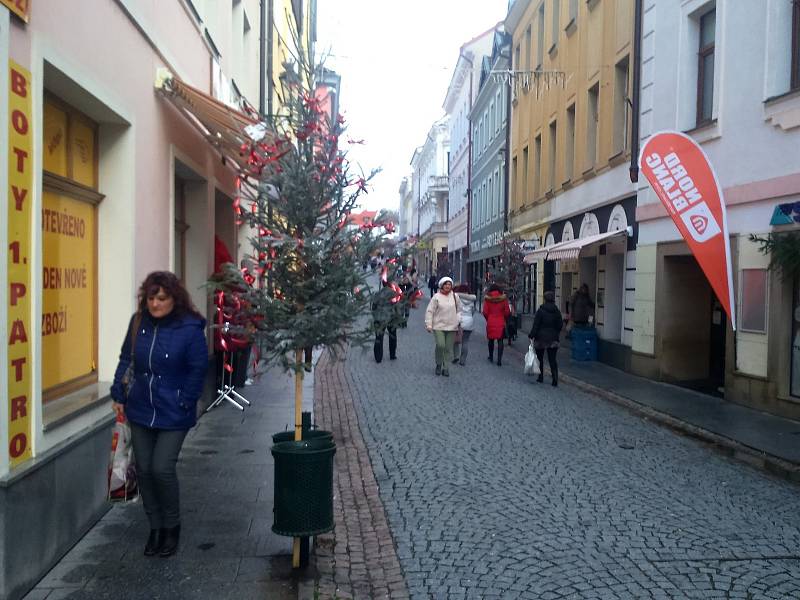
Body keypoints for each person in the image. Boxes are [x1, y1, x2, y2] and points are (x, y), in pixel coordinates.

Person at [110, 271, 208, 558]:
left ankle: (172, 527)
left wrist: (185, 400)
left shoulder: (189, 328)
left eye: (161, 298)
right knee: (144, 469)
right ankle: (155, 527)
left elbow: (197, 368)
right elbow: (127, 359)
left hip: (174, 410)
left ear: (173, 299)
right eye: (151, 298)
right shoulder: (138, 322)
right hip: (141, 407)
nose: (155, 304)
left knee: (162, 468)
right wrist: (119, 393)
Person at [424, 276, 461, 376]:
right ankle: (438, 363)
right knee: (441, 345)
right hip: (439, 326)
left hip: (452, 326)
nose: (448, 286)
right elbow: (430, 311)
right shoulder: (436, 297)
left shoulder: (455, 296)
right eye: (446, 284)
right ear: (442, 285)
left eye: (449, 285)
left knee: (448, 348)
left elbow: (459, 310)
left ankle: (446, 367)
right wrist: (429, 324)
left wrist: (458, 320)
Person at [529, 290, 564, 387]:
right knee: (552, 359)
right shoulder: (556, 311)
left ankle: (540, 377)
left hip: (541, 338)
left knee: (540, 358)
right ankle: (555, 379)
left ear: (544, 299)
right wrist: (555, 332)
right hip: (553, 338)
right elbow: (560, 325)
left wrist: (532, 335)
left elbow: (536, 325)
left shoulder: (540, 311)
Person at [482, 283, 511, 366]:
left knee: (491, 340)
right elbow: (507, 311)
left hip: (491, 321)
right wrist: (504, 317)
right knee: (500, 340)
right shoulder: (503, 299)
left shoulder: (487, 299)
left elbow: (485, 312)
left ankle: (491, 357)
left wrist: (488, 318)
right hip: (501, 321)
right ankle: (499, 360)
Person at [372, 280, 400, 362]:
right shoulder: (394, 294)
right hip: (391, 317)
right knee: (393, 336)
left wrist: (375, 315)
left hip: (379, 318)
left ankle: (378, 357)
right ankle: (392, 354)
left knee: (379, 337)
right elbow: (397, 306)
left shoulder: (377, 294)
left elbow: (373, 306)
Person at [452, 284, 477, 366]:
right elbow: (473, 311)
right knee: (465, 341)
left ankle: (456, 356)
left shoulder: (456, 298)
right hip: (469, 322)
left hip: (459, 321)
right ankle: (463, 360)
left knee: (456, 340)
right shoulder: (471, 300)